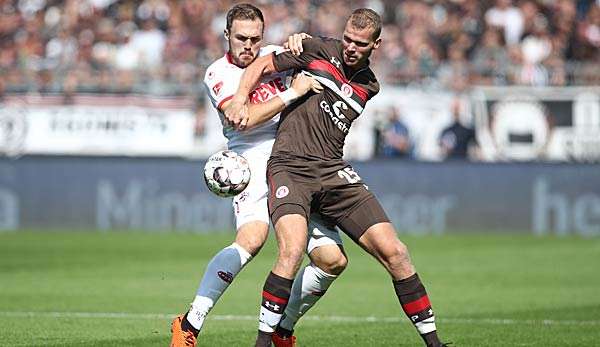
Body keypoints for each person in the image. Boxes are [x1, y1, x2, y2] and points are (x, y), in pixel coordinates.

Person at [226, 8, 448, 347]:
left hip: (332, 170)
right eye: (347, 39)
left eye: (360, 43)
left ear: (377, 44)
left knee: (396, 253)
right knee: (292, 250)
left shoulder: (369, 85)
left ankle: (435, 343)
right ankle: (263, 343)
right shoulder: (316, 49)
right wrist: (241, 100)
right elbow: (260, 65)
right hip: (291, 166)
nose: (350, 47)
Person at [170, 4, 348, 347]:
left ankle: (283, 330)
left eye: (255, 38)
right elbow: (244, 119)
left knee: (332, 261)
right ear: (227, 36)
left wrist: (303, 40)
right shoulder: (217, 73)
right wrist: (292, 92)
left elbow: (317, 55)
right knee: (252, 239)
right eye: (241, 38)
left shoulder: (272, 56)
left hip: (297, 162)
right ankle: (190, 323)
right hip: (249, 162)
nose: (248, 46)